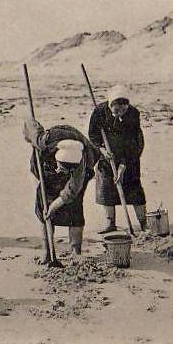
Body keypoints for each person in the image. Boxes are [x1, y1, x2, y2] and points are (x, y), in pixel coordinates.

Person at [23, 118, 100, 266]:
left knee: (74, 209)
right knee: (43, 209)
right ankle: (47, 251)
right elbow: (29, 124)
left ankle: (76, 252)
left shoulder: (82, 162)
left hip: (81, 165)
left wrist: (54, 206)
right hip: (46, 169)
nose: (64, 172)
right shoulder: (45, 141)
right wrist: (31, 138)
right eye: (63, 168)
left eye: (69, 170)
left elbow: (72, 190)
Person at [88, 85, 148, 233]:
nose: (119, 113)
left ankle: (143, 223)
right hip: (106, 156)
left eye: (123, 110)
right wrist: (102, 150)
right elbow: (93, 135)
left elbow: (132, 142)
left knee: (134, 189)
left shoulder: (133, 114)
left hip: (130, 154)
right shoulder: (99, 112)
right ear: (110, 105)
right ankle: (110, 223)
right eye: (116, 110)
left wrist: (123, 165)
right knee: (106, 189)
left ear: (127, 105)